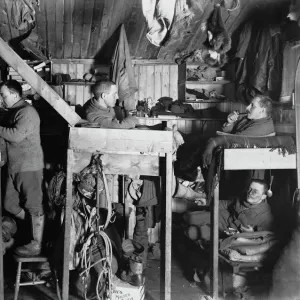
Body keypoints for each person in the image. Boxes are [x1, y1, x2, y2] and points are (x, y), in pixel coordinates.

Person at [0, 80, 44, 256]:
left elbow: (16, 135)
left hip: (29, 166)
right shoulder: (13, 112)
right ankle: (39, 229)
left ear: (14, 94)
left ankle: (37, 243)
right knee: (9, 205)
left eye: (3, 95)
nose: (1, 98)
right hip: (14, 166)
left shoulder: (27, 112)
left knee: (33, 206)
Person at [184, 179, 274, 241]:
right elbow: (226, 204)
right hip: (224, 217)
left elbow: (266, 234)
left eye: (255, 191)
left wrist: (252, 233)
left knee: (191, 232)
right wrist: (207, 202)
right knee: (189, 217)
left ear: (263, 196)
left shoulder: (266, 215)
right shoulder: (242, 197)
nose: (250, 193)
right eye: (249, 189)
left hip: (229, 231)